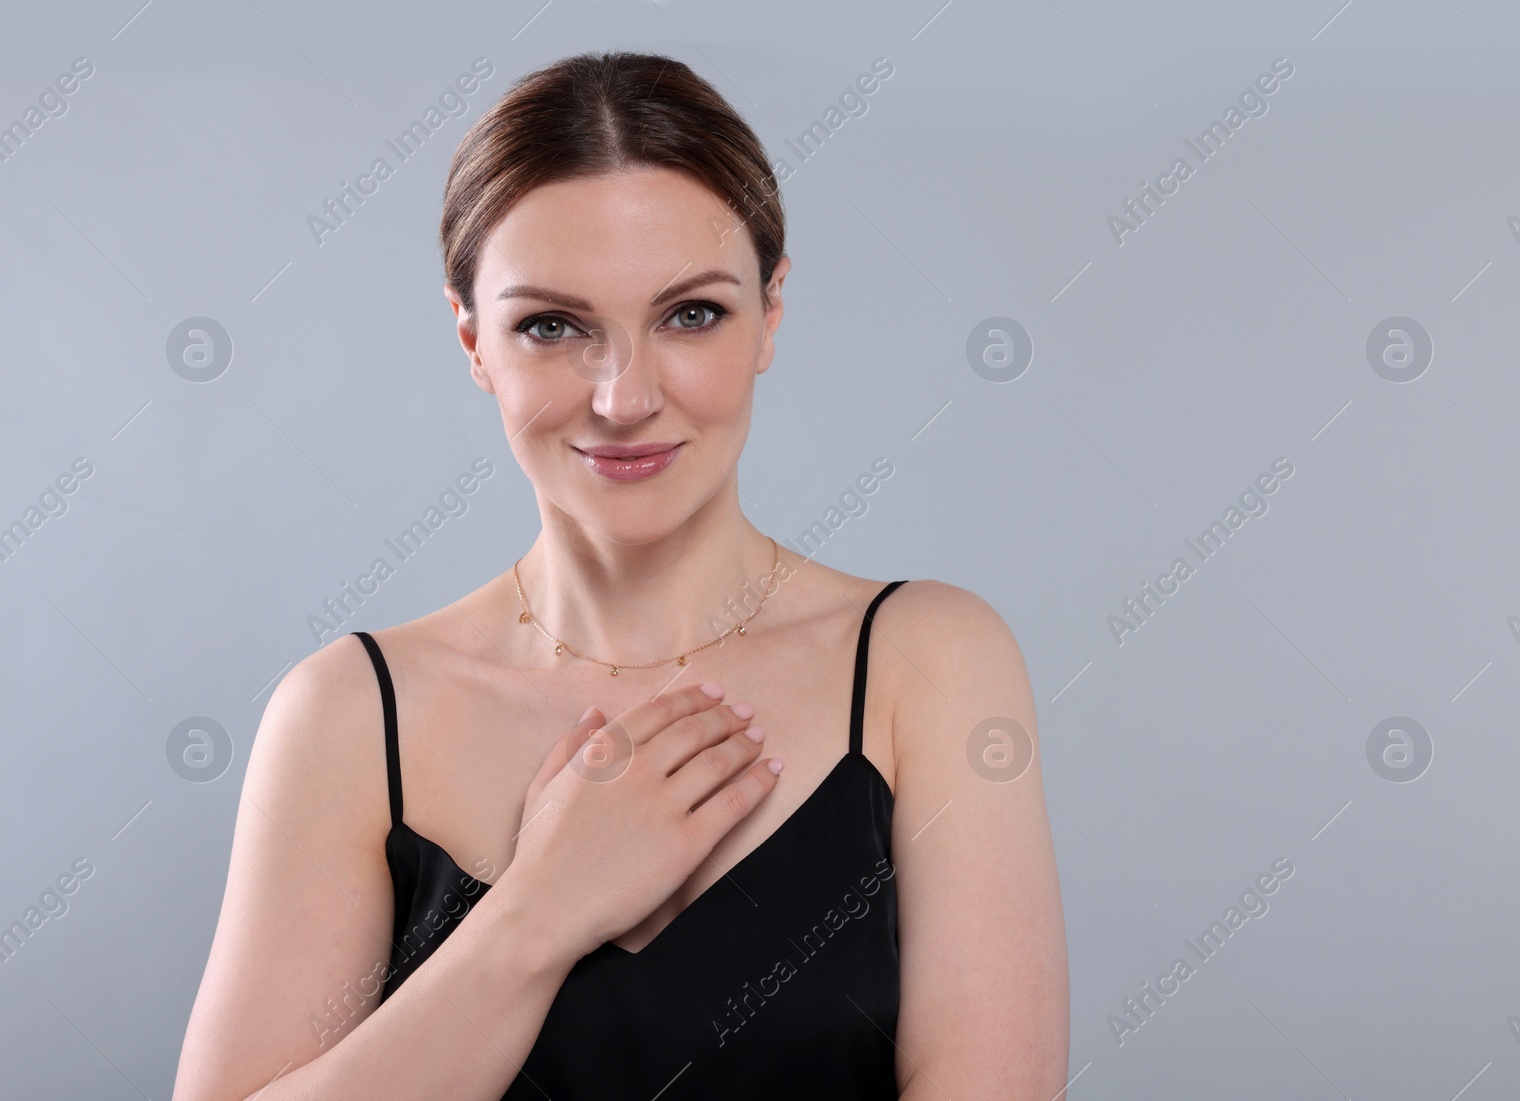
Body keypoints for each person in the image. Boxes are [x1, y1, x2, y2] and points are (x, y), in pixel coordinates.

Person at [173, 50, 1068, 1100]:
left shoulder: (930, 663)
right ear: (473, 340)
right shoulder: (343, 715)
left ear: (771, 312)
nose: (623, 397)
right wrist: (537, 914)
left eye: (690, 314)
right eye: (552, 326)